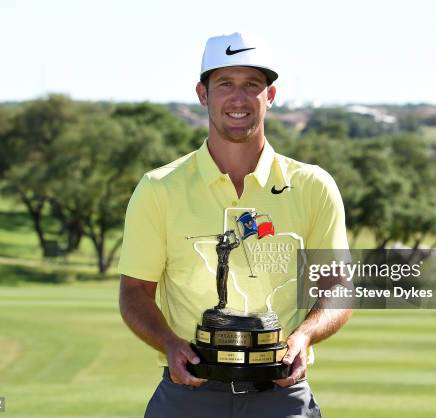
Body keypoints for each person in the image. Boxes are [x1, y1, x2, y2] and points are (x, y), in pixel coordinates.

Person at [118, 32, 353, 418]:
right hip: (188, 394)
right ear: (203, 94)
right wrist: (168, 342)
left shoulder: (313, 186)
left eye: (252, 85)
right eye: (225, 84)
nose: (238, 98)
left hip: (281, 395)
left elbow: (338, 288)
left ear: (270, 96)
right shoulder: (159, 188)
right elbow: (134, 292)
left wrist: (304, 335)